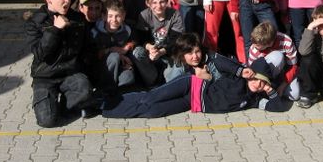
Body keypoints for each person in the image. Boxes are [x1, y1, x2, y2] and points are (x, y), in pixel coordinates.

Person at [101, 56, 289, 118]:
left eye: (263, 83)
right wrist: (240, 70)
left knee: (152, 112)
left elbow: (278, 107)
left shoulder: (253, 100)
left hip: (191, 103)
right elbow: (217, 61)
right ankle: (104, 102)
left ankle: (107, 111)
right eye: (256, 79)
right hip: (190, 85)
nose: (258, 84)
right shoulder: (237, 76)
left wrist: (270, 91)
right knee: (149, 98)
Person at [26, 0, 94, 127]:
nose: (67, 1)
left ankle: (64, 104)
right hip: (45, 76)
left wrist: (83, 70)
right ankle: (49, 101)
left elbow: (87, 48)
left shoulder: (77, 19)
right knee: (47, 121)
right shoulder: (36, 22)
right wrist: (55, 30)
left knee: (84, 88)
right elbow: (40, 54)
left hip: (69, 73)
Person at [133, 0, 184, 86]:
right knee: (137, 52)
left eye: (162, 2)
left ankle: (168, 80)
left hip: (169, 52)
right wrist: (150, 47)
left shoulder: (174, 14)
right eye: (154, 3)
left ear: (167, 1)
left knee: (176, 73)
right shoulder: (144, 15)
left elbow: (176, 39)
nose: (158, 6)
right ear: (148, 3)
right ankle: (152, 79)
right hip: (150, 53)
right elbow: (141, 38)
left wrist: (161, 52)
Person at [91, 0, 136, 91]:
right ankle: (106, 89)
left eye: (118, 16)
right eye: (110, 16)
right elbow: (93, 54)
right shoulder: (95, 32)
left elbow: (134, 41)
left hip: (119, 65)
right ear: (103, 16)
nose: (114, 20)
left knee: (128, 77)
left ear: (123, 16)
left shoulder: (127, 30)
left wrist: (126, 49)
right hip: (101, 67)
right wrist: (110, 50)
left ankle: (116, 89)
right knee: (114, 56)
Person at [247, 21, 300, 101]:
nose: (254, 45)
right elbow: (253, 71)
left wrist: (283, 85)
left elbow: (293, 66)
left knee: (295, 95)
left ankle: (277, 89)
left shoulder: (286, 41)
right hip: (264, 77)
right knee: (277, 57)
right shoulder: (253, 48)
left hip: (284, 73)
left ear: (269, 43)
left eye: (257, 45)